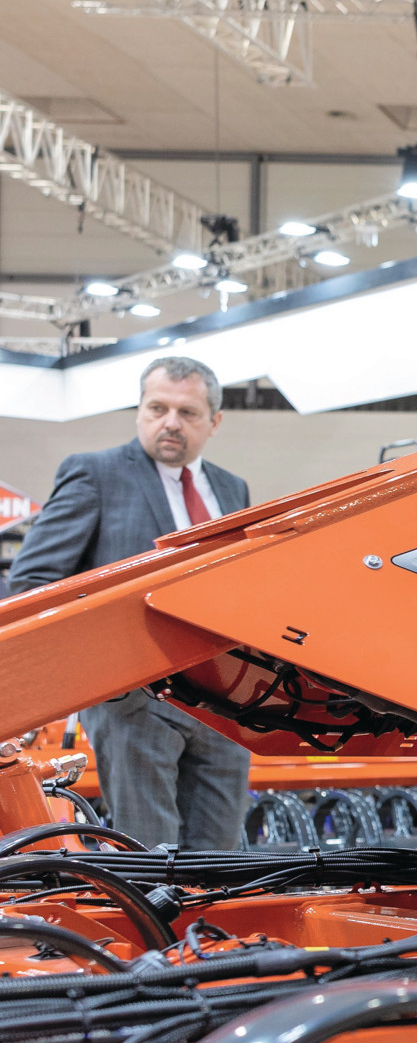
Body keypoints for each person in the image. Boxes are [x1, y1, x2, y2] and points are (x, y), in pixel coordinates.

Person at [6, 356, 252, 849]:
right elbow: (32, 582)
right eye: (157, 408)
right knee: (149, 857)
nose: (170, 423)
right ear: (139, 410)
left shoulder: (231, 488)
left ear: (215, 422)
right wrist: (97, 678)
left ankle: (210, 931)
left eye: (187, 412)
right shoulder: (95, 475)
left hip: (225, 707)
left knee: (224, 863)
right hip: (134, 705)